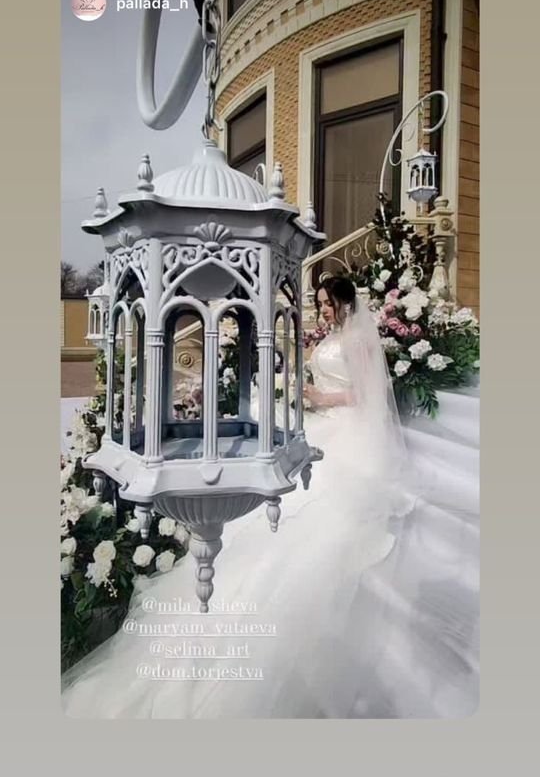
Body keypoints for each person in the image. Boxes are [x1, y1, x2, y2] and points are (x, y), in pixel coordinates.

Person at [61, 277, 479, 719]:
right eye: (320, 303)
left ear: (344, 301)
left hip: (348, 427)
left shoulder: (357, 339)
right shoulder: (332, 337)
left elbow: (367, 393)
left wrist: (320, 396)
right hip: (322, 419)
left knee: (318, 503)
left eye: (328, 303)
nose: (324, 310)